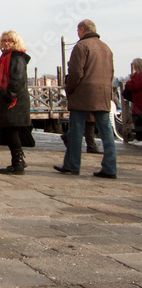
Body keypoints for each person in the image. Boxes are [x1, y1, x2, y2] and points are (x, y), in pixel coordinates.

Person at [54, 19, 117, 178]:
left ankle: (72, 165)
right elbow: (111, 73)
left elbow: (75, 73)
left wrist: (69, 89)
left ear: (82, 30)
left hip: (83, 94)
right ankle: (110, 167)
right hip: (102, 94)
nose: (77, 33)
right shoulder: (106, 48)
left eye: (78, 30)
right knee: (106, 132)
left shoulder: (81, 46)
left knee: (75, 131)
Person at [0, 30, 35, 174]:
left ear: (15, 42)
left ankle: (17, 164)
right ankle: (19, 161)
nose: (6, 43)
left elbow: (17, 80)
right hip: (11, 98)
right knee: (10, 130)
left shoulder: (16, 58)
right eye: (4, 40)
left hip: (14, 100)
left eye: (9, 41)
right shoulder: (6, 57)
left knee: (12, 131)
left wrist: (9, 95)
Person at [123, 58, 142, 146]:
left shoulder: (137, 75)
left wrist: (128, 83)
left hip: (138, 103)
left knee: (138, 121)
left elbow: (135, 86)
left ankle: (139, 139)